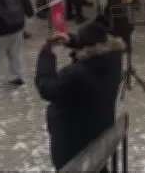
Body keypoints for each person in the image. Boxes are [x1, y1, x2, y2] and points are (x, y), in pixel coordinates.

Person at [35, 21, 125, 170]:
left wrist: (46, 55)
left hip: (73, 143)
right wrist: (71, 40)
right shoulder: (113, 59)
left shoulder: (76, 74)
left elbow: (47, 88)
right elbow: (94, 48)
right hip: (99, 133)